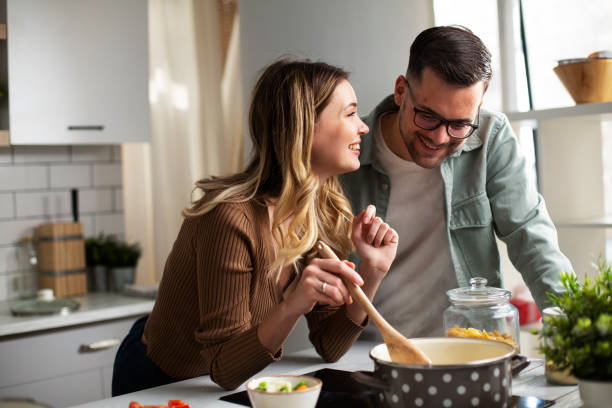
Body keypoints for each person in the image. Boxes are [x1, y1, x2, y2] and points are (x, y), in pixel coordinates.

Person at [112, 59, 399, 394]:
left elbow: (330, 346)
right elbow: (223, 368)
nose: (362, 127)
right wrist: (292, 305)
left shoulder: (323, 211)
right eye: (350, 114)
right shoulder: (229, 217)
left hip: (221, 386)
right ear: (306, 127)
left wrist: (373, 271)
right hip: (160, 383)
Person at [339, 26, 573, 341]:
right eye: (428, 116)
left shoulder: (491, 136)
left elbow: (532, 239)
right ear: (400, 91)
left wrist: (575, 332)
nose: (439, 137)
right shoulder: (347, 148)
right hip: (369, 353)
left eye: (460, 124)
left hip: (472, 345)